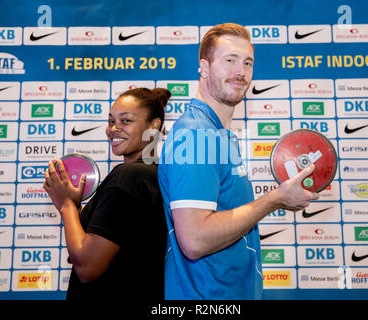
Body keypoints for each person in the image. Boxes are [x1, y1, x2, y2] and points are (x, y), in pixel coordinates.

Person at [158, 23, 319, 300]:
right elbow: (194, 240)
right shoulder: (197, 135)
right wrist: (274, 200)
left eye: (247, 63)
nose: (240, 72)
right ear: (204, 68)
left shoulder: (216, 133)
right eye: (229, 60)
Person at [43, 87, 170, 302]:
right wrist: (76, 208)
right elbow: (123, 242)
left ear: (153, 125)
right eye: (111, 121)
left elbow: (87, 267)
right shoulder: (157, 173)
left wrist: (65, 206)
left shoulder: (130, 176)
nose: (114, 129)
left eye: (126, 121)